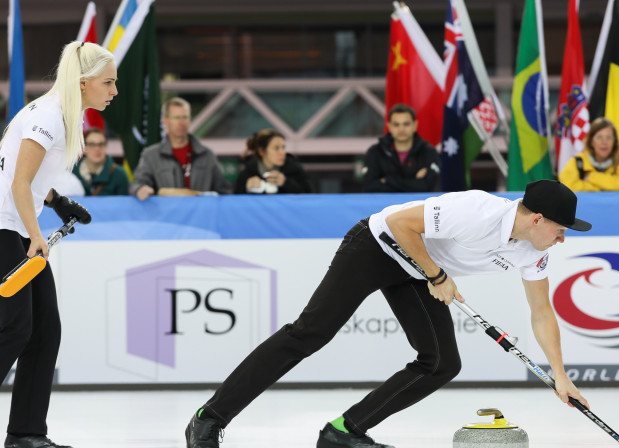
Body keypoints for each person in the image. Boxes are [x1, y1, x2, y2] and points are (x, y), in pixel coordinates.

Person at [185, 179, 592, 448]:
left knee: (441, 363)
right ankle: (209, 417)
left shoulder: (530, 251)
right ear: (537, 218)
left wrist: (560, 374)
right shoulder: (478, 210)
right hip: (378, 247)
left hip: (419, 269)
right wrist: (437, 275)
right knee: (309, 333)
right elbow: (400, 224)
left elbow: (542, 312)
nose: (561, 239)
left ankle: (344, 433)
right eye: (561, 230)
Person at [0, 41, 113, 448]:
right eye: (108, 82)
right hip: (6, 229)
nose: (114, 91)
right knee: (14, 327)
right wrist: (35, 235)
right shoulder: (49, 115)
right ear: (83, 83)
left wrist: (59, 202)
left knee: (45, 330)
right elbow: (18, 182)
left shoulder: (58, 114)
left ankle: (26, 434)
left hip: (16, 226)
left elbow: (29, 177)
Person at [130, 97, 231, 199]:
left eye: (185, 117)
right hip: (167, 214)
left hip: (200, 214)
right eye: (176, 118)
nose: (181, 123)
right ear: (165, 121)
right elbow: (137, 183)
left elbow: (224, 192)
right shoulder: (151, 155)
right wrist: (140, 189)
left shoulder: (207, 155)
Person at [362, 104, 439, 192]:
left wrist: (388, 180)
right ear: (389, 126)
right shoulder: (375, 152)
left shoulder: (428, 152)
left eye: (406, 124)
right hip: (384, 205)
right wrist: (414, 182)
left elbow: (427, 187)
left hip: (419, 205)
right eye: (396, 125)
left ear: (415, 125)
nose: (401, 129)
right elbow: (369, 187)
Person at [558, 118, 619, 192]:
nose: (604, 142)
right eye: (599, 137)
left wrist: (592, 177)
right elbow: (568, 186)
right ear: (591, 141)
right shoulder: (577, 162)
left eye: (608, 138)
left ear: (614, 142)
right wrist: (602, 188)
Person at [234, 129, 311, 194]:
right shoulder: (247, 174)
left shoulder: (295, 170)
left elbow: (309, 197)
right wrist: (247, 189)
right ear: (262, 151)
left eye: (283, 148)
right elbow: (235, 202)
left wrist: (286, 183)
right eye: (276, 148)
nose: (282, 152)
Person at [72, 127, 129, 196]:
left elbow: (124, 205)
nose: (97, 149)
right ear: (84, 148)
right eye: (92, 144)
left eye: (101, 144)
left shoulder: (119, 175)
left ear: (106, 146)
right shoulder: (71, 173)